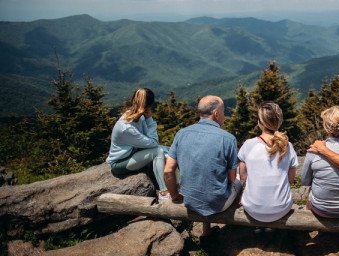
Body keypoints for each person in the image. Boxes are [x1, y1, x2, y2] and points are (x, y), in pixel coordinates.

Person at [164, 95, 242, 237]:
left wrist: (175, 195)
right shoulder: (228, 139)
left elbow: (168, 170)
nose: (224, 115)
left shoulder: (181, 134)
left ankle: (206, 232)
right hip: (218, 204)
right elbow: (231, 179)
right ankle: (235, 224)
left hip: (189, 201)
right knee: (238, 181)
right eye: (224, 112)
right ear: (216, 114)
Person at [238, 101, 298, 223]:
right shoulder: (288, 146)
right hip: (282, 208)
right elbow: (290, 180)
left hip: (253, 209)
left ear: (260, 123)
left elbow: (243, 176)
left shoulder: (248, 145)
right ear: (279, 122)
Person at [106, 88, 170, 199]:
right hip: (120, 163)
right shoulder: (127, 127)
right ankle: (164, 192)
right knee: (158, 151)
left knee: (170, 150)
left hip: (133, 153)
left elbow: (148, 141)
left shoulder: (136, 117)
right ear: (149, 106)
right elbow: (154, 143)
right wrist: (150, 120)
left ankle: (177, 185)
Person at [301, 106, 339, 218]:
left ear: (326, 127)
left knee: (312, 189)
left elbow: (305, 181)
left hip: (320, 209)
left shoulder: (314, 151)